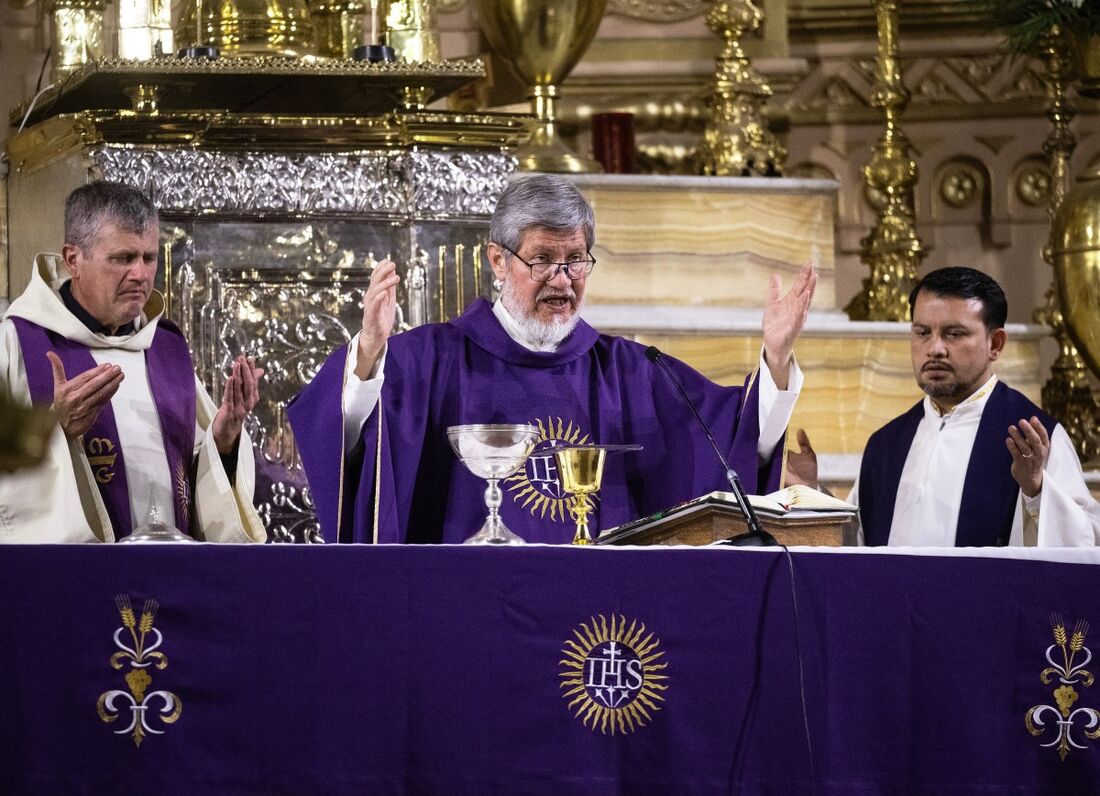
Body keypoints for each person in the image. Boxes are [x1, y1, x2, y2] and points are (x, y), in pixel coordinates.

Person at [290, 175, 817, 544]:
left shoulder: (633, 371)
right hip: (465, 608)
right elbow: (346, 447)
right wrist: (366, 357)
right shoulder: (429, 360)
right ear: (497, 258)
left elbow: (731, 441)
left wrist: (776, 355)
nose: (562, 279)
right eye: (541, 259)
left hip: (600, 618)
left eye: (575, 260)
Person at [0, 181, 267, 543]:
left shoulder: (164, 349)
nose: (141, 274)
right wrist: (50, 431)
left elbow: (200, 487)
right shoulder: (17, 344)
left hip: (169, 577)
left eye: (149, 257)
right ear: (73, 259)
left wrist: (224, 437)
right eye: (123, 258)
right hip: (73, 583)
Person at [787, 266, 1099, 546]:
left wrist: (1037, 489)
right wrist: (815, 497)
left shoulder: (1032, 437)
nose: (935, 349)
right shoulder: (887, 444)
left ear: (996, 344)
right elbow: (861, 545)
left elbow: (1086, 542)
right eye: (922, 332)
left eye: (954, 334)